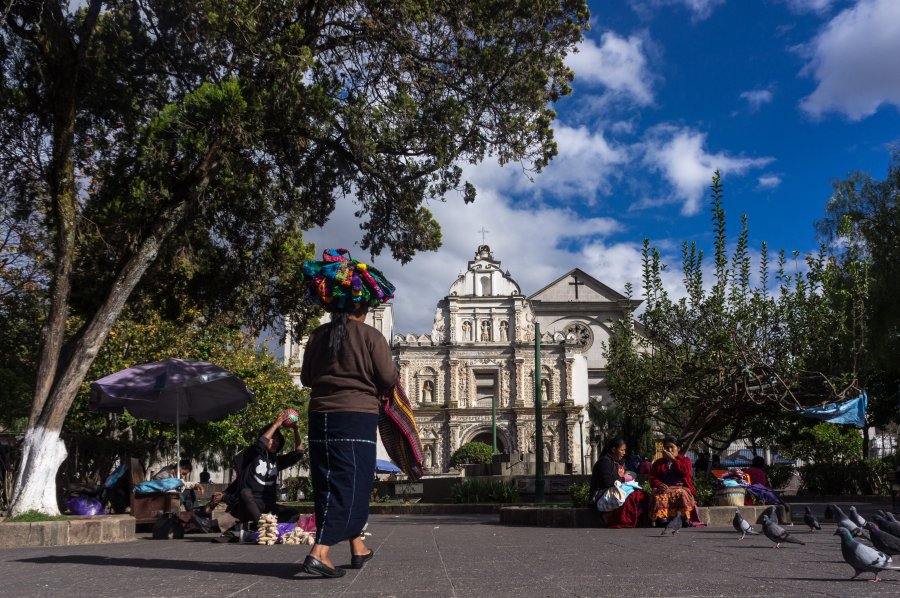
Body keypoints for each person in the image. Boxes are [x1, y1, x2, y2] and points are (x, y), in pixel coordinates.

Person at [299, 248, 396, 578]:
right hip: (356, 416)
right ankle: (319, 552)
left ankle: (358, 547)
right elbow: (387, 379)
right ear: (362, 308)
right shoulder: (371, 337)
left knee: (330, 481)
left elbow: (306, 378)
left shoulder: (317, 336)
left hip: (319, 416)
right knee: (352, 483)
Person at [213, 413, 306, 542]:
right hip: (247, 506)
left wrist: (296, 429)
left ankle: (256, 533)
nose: (275, 442)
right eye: (272, 439)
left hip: (267, 507)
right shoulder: (251, 455)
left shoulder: (276, 461)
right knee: (245, 493)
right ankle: (264, 530)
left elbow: (299, 453)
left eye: (278, 440)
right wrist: (276, 424)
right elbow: (260, 444)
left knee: (293, 513)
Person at [589, 437, 647, 528]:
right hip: (601, 495)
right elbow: (607, 482)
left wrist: (624, 476)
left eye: (625, 450)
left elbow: (628, 475)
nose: (624, 453)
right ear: (613, 449)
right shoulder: (605, 462)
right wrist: (622, 478)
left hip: (612, 490)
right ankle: (612, 517)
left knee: (639, 494)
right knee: (632, 496)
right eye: (622, 450)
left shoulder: (617, 463)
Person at [649, 436, 697, 525]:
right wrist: (659, 484)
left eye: (672, 447)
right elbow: (652, 477)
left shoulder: (685, 460)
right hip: (665, 487)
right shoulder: (658, 463)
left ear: (678, 448)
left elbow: (685, 472)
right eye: (667, 448)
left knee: (681, 493)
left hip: (680, 487)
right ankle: (663, 518)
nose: (669, 450)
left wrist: (673, 460)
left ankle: (684, 517)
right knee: (660, 495)